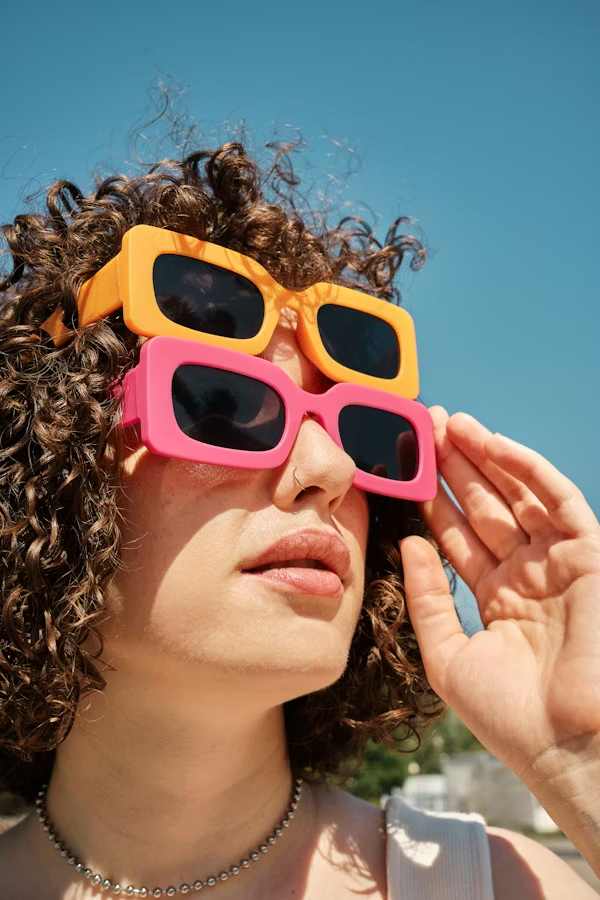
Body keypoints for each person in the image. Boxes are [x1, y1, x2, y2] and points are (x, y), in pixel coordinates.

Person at [0, 137, 599, 900]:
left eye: (361, 433)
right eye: (224, 406)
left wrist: (582, 766)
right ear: (52, 465)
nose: (329, 472)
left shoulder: (498, 885)